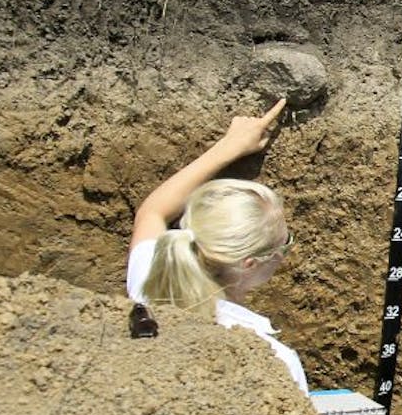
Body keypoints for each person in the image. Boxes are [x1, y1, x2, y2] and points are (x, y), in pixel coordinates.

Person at [126, 97, 308, 394]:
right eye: (285, 245)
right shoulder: (273, 361)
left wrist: (229, 146)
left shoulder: (149, 286)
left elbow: (153, 212)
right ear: (251, 263)